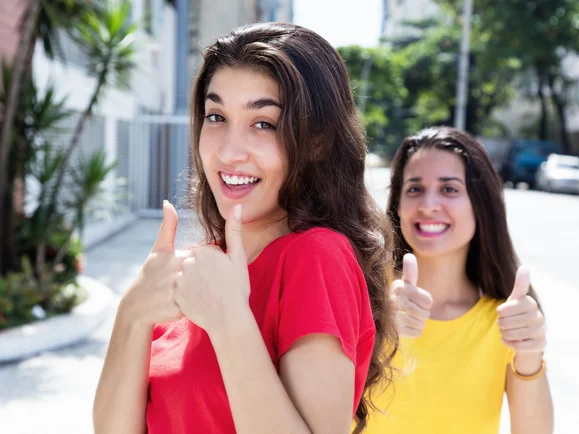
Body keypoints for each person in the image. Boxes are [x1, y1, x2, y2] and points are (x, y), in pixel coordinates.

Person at [93, 22, 399, 434]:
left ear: (317, 142)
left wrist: (229, 321)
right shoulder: (199, 272)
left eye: (263, 124)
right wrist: (132, 313)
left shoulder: (316, 257)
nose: (229, 151)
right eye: (216, 116)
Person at [365, 126, 553, 434]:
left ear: (481, 205)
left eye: (449, 189)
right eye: (414, 189)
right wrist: (376, 326)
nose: (428, 205)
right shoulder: (363, 291)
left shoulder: (506, 318)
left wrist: (530, 352)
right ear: (398, 204)